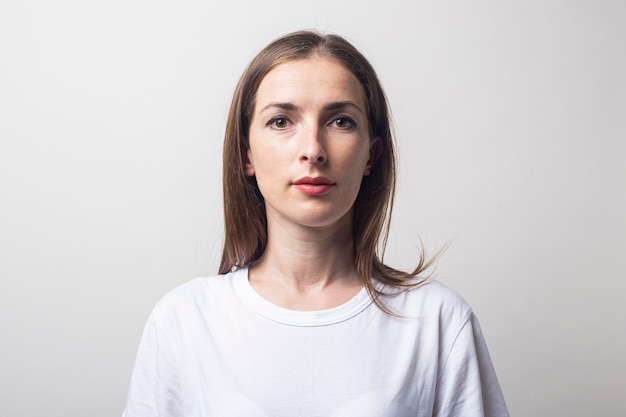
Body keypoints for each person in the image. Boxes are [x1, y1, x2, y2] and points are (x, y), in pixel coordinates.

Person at [123, 30, 509, 417]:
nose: (312, 150)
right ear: (246, 155)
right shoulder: (183, 321)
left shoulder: (437, 321)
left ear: (371, 155)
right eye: (280, 121)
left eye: (340, 121)